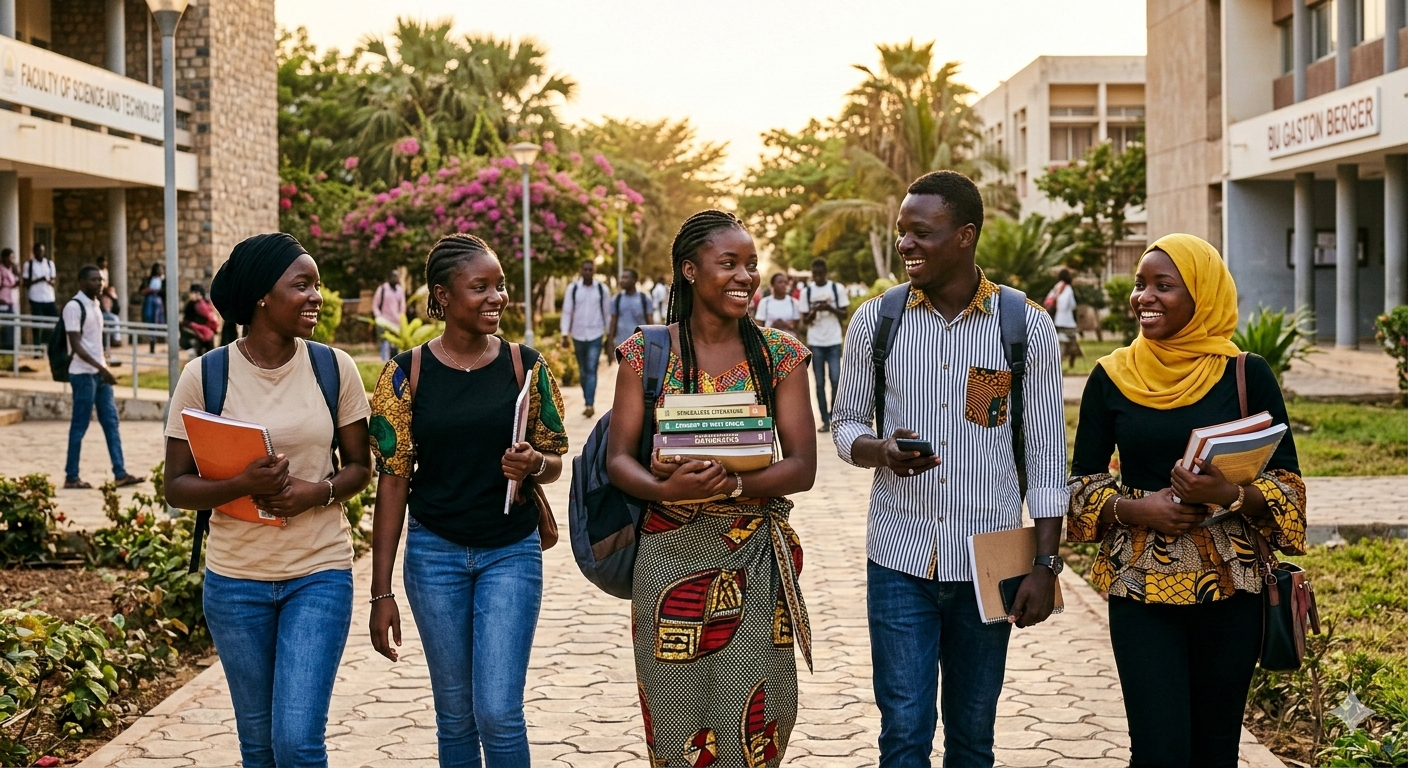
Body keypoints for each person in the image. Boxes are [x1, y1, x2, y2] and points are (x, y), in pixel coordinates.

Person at [831, 171, 1068, 767]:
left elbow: (1044, 459)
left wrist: (1044, 565)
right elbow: (845, 427)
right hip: (898, 557)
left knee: (972, 735)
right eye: (901, 232)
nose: (905, 244)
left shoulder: (1024, 325)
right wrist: (881, 451)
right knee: (905, 730)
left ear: (964, 235)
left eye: (921, 232)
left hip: (989, 563)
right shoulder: (875, 322)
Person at [1067, 234, 1307, 768]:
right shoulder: (1111, 376)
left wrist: (1229, 493)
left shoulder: (1247, 373)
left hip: (1232, 586)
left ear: (1203, 294)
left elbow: (1289, 483)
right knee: (1159, 750)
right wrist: (1135, 509)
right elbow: (1080, 483)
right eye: (1139, 284)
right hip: (1142, 584)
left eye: (1163, 285)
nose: (1143, 297)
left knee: (1216, 748)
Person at [606, 210, 817, 768]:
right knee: (678, 728)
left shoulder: (780, 355)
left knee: (763, 720)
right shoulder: (646, 353)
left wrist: (733, 484)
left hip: (754, 561)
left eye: (750, 264)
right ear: (690, 271)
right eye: (729, 264)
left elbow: (802, 467)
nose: (745, 276)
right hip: (667, 562)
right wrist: (664, 489)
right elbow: (617, 459)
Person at [163, 233, 373, 768]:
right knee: (258, 749)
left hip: (318, 573)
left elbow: (359, 468)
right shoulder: (205, 376)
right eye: (301, 285)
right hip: (235, 583)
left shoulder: (334, 368)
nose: (316, 297)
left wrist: (314, 493)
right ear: (261, 296)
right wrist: (241, 485)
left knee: (298, 743)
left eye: (317, 286)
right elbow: (177, 486)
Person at [367, 234, 568, 768]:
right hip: (434, 556)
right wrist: (380, 592)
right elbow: (392, 482)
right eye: (479, 287)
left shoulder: (525, 366)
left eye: (499, 286)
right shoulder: (405, 374)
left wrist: (534, 466)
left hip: (510, 552)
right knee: (454, 715)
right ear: (442, 296)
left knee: (499, 712)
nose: (495, 297)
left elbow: (555, 461)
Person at [62, 266, 145, 491]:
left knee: (111, 423)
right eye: (93, 279)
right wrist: (102, 368)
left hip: (99, 375)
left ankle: (120, 473)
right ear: (81, 282)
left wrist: (104, 365)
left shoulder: (96, 305)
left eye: (100, 279)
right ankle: (71, 476)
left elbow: (93, 343)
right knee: (79, 426)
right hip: (83, 375)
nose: (99, 283)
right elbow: (77, 345)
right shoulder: (74, 306)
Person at [799, 257, 849, 433]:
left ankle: (834, 415)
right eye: (815, 275)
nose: (818, 277)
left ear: (826, 273)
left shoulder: (837, 289)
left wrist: (829, 308)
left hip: (834, 341)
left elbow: (844, 314)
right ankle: (825, 420)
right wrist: (814, 311)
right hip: (816, 342)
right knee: (819, 383)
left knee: (836, 379)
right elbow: (804, 321)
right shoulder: (807, 292)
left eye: (821, 274)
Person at [560, 259, 609, 417]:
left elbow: (607, 313)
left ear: (594, 271)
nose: (588, 272)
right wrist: (564, 334)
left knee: (591, 369)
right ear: (581, 270)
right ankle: (586, 399)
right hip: (578, 335)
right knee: (582, 371)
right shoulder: (573, 289)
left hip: (596, 334)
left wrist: (609, 335)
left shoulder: (602, 290)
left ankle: (589, 404)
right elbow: (567, 311)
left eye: (590, 269)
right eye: (585, 269)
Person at [608, 268, 653, 351]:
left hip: (640, 345)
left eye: (625, 278)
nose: (622, 281)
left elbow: (650, 322)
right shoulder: (617, 299)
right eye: (621, 278)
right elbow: (613, 322)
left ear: (634, 280)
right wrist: (610, 343)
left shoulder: (645, 299)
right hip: (622, 345)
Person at [1044, 269, 1082, 371]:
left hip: (1058, 320)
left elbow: (1049, 299)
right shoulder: (1068, 288)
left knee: (1060, 343)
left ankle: (1057, 364)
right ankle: (1070, 362)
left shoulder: (1057, 287)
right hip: (1068, 322)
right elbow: (1071, 304)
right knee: (1073, 343)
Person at [24, 243, 57, 345]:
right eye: (38, 251)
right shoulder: (28, 265)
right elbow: (26, 283)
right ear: (34, 252)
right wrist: (38, 280)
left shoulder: (49, 263)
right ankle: (36, 346)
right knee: (37, 323)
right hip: (35, 297)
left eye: (42, 251)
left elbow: (53, 279)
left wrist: (50, 281)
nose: (40, 253)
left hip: (48, 297)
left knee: (53, 320)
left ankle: (46, 343)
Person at [372, 269, 406, 362]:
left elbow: (402, 306)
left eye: (397, 277)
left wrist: (402, 318)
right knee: (385, 342)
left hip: (396, 322)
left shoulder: (399, 290)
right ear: (389, 278)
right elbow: (375, 304)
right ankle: (383, 362)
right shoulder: (382, 289)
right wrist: (378, 317)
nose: (395, 279)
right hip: (384, 320)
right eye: (393, 276)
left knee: (395, 345)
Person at [180, 284, 221, 357]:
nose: (190, 295)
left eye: (192, 293)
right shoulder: (193, 304)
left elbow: (210, 319)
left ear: (198, 294)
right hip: (197, 331)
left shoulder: (201, 305)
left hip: (202, 331)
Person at [141, 263, 165, 353]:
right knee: (150, 319)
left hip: (159, 303)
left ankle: (159, 341)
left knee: (158, 322)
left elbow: (165, 291)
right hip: (149, 303)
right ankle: (152, 343)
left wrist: (155, 291)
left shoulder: (164, 280)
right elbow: (142, 290)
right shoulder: (149, 279)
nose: (160, 271)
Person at [0, 248, 19, 353]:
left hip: (12, 303)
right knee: (4, 330)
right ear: (4, 258)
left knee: (11, 329)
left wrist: (16, 272)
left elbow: (16, 284)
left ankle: (10, 352)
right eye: (10, 258)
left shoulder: (11, 270)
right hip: (2, 303)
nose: (12, 260)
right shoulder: (1, 270)